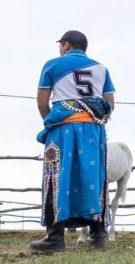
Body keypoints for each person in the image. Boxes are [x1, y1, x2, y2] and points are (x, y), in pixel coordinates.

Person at [32, 30, 115, 251]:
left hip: (63, 129)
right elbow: (110, 103)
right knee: (94, 176)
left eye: (60, 45)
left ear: (66, 45)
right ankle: (99, 235)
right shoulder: (101, 68)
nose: (59, 49)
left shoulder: (52, 65)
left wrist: (53, 123)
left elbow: (42, 102)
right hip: (93, 130)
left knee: (56, 174)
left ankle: (54, 238)